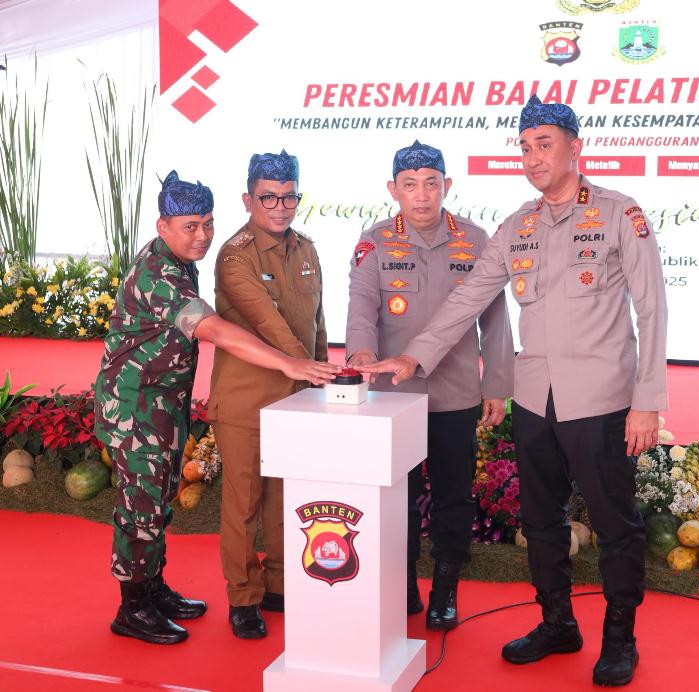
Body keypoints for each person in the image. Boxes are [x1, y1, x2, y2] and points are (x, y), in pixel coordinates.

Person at [360, 96, 668, 686]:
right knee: (540, 519)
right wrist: (414, 356)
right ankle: (557, 623)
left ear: (575, 148)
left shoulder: (618, 214)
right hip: (534, 400)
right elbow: (467, 300)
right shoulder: (516, 226)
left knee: (615, 524)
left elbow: (652, 310)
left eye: (544, 145)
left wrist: (647, 401)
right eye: (525, 148)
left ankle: (620, 639)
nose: (532, 158)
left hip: (601, 400)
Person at [94, 171, 337, 645]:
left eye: (207, 223)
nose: (202, 235)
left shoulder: (178, 259)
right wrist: (290, 363)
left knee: (159, 500)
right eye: (190, 226)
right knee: (140, 508)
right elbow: (215, 330)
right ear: (163, 226)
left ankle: (153, 588)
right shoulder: (158, 275)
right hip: (134, 408)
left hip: (162, 403)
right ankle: (132, 607)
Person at [346, 140, 513, 630]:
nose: (421, 195)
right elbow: (361, 307)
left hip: (454, 393)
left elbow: (496, 321)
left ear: (447, 186)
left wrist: (496, 384)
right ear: (393, 189)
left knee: (453, 497)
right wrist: (360, 355)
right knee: (396, 498)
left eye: (431, 184)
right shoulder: (374, 241)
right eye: (410, 185)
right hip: (392, 397)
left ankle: (445, 589)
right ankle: (400, 588)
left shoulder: (476, 240)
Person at [207, 150, 329, 639]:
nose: (280, 207)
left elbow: (318, 324)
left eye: (289, 197)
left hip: (295, 399)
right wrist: (311, 369)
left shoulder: (307, 249)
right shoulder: (234, 256)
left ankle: (279, 585)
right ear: (248, 199)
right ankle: (243, 597)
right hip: (245, 401)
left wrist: (323, 382)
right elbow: (270, 325)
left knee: (284, 499)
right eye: (268, 198)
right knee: (244, 505)